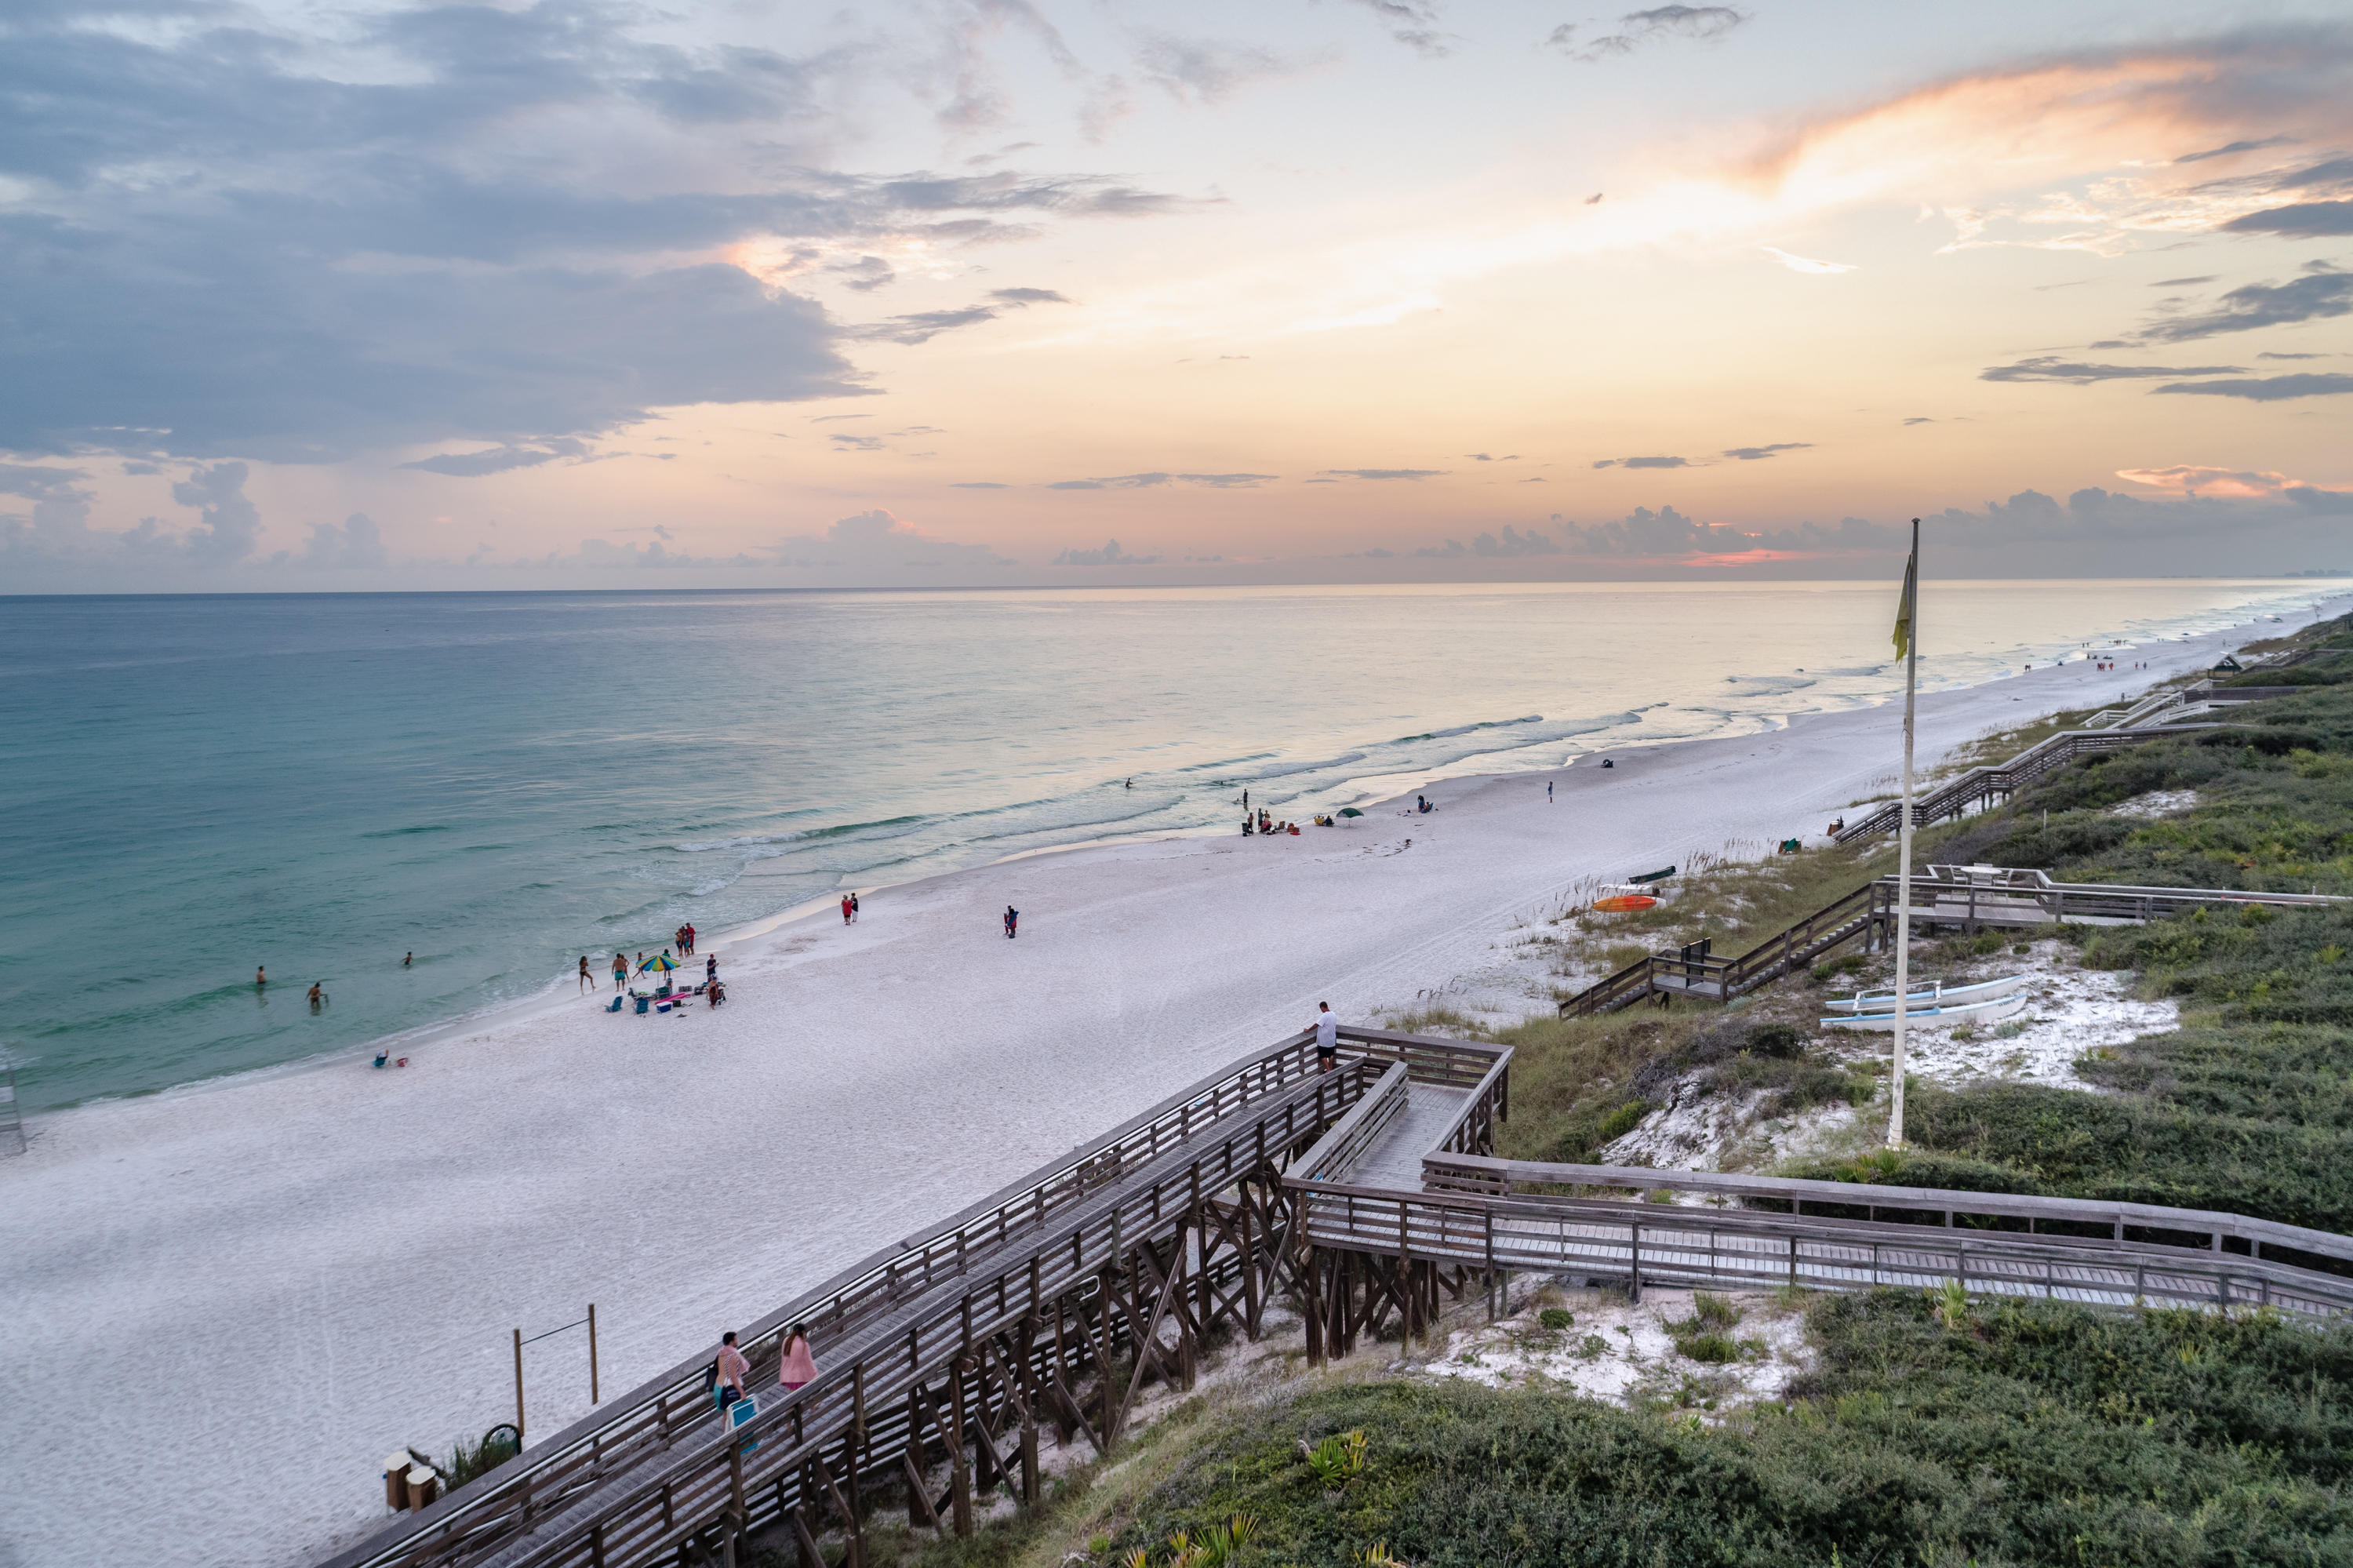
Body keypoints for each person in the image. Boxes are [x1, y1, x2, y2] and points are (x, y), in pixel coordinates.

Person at [714, 1331, 749, 1413]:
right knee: (735, 1414)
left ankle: (725, 1426)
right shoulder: (732, 1356)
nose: (737, 1341)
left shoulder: (720, 1353)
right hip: (727, 1389)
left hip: (718, 1387)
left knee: (726, 1415)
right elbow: (733, 1377)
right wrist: (742, 1392)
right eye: (736, 1339)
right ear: (731, 1342)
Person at [779, 1326, 816, 1392]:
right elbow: (808, 1361)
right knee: (804, 1394)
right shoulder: (804, 1344)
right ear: (803, 1332)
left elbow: (785, 1358)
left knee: (793, 1394)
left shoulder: (786, 1341)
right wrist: (814, 1373)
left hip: (788, 1375)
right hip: (799, 1377)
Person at [1314, 1002, 1339, 1071]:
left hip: (1324, 1041)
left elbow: (1317, 1024)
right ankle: (1330, 1069)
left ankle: (1328, 1070)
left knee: (1323, 1056)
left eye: (1321, 1009)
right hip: (1332, 1039)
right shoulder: (1334, 1014)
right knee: (1331, 1055)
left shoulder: (1324, 1016)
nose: (1321, 1010)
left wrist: (1308, 1030)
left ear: (1323, 1007)